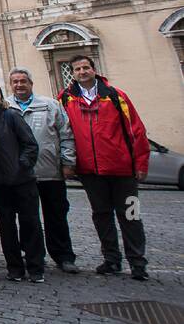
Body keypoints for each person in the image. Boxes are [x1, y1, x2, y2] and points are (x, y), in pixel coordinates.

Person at [59, 55, 150, 281]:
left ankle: (138, 262)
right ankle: (111, 259)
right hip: (91, 171)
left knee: (131, 215)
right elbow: (62, 133)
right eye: (77, 69)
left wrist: (140, 163)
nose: (82, 72)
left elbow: (136, 131)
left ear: (93, 69)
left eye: (86, 67)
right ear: (72, 72)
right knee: (101, 215)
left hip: (123, 170)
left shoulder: (116, 96)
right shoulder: (66, 99)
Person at [6, 68, 77, 273]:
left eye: (23, 81)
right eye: (15, 82)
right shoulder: (5, 106)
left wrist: (68, 162)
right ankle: (33, 255)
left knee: (56, 215)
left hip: (49, 171)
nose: (19, 85)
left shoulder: (50, 105)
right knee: (28, 219)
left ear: (31, 84)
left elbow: (66, 134)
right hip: (20, 174)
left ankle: (64, 255)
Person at [0, 81, 45, 283]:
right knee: (6, 227)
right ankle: (14, 267)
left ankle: (35, 267)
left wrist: (22, 165)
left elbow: (30, 145)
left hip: (23, 180)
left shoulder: (12, 116)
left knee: (30, 223)